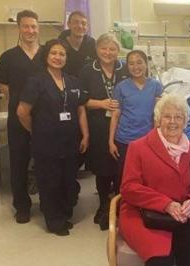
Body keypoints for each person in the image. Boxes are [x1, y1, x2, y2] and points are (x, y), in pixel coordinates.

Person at [119, 94, 190, 266]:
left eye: (178, 117)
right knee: (160, 260)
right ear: (158, 120)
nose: (172, 122)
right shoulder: (138, 147)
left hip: (182, 215)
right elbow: (128, 187)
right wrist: (166, 204)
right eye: (167, 116)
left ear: (185, 121)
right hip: (145, 216)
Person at [17, 39, 89, 236]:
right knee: (50, 181)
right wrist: (36, 130)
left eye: (62, 54)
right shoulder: (36, 81)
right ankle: (54, 220)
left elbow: (80, 109)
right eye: (54, 53)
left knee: (68, 179)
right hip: (45, 143)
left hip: (70, 141)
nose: (58, 57)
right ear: (46, 56)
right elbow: (22, 111)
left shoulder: (73, 81)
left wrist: (85, 135)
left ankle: (65, 212)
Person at [0, 10, 44, 224]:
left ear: (38, 28)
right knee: (19, 162)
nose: (30, 30)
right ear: (19, 29)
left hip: (44, 119)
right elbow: (5, 89)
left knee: (45, 161)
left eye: (33, 26)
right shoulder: (9, 57)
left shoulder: (47, 54)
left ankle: (49, 202)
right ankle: (22, 206)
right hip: (17, 118)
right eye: (26, 26)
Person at [79, 33, 129, 230]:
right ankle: (103, 205)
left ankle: (119, 205)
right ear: (97, 50)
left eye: (112, 49)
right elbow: (81, 100)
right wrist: (101, 103)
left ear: (118, 51)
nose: (108, 53)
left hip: (123, 126)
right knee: (102, 168)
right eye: (104, 48)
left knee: (120, 168)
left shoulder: (125, 68)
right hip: (99, 125)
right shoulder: (87, 71)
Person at [109, 50, 162, 192]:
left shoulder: (156, 86)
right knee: (123, 176)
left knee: (147, 176)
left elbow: (158, 116)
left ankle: (144, 207)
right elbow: (115, 114)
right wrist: (111, 141)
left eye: (139, 62)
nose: (135, 67)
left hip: (148, 139)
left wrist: (157, 139)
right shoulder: (121, 87)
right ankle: (122, 207)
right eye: (131, 63)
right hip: (124, 139)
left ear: (146, 64)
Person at [58, 11, 96, 77]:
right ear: (68, 24)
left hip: (87, 83)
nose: (80, 26)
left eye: (83, 23)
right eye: (76, 22)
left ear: (87, 27)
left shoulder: (92, 44)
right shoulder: (59, 44)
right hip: (65, 82)